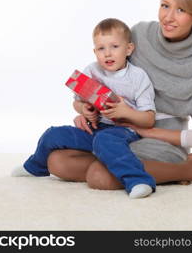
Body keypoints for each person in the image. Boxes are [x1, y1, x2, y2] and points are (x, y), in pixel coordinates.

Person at [45, 0, 192, 190]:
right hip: (114, 131)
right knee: (57, 162)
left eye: (181, 10)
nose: (168, 17)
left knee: (99, 176)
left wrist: (147, 131)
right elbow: (109, 75)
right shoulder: (140, 35)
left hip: (162, 140)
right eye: (165, 5)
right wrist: (85, 109)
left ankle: (191, 168)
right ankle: (124, 165)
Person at [12, 18, 158, 199]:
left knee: (105, 140)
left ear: (128, 49)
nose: (107, 54)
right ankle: (36, 166)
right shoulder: (92, 70)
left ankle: (138, 180)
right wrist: (83, 109)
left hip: (125, 129)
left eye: (114, 46)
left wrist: (124, 112)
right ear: (94, 51)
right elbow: (77, 102)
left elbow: (149, 118)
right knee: (53, 134)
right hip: (95, 128)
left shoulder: (137, 77)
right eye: (101, 49)